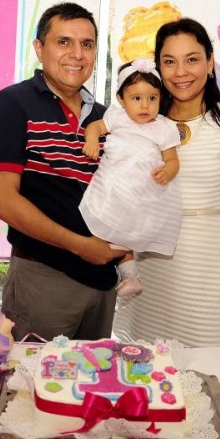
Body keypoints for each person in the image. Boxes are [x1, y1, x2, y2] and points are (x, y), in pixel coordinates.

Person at [114, 18, 220, 348]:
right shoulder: (146, 123)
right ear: (158, 67)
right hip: (153, 270)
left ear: (210, 62)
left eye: (192, 59)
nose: (180, 72)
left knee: (214, 372)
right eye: (169, 62)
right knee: (151, 372)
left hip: (214, 269)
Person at [0, 2, 125, 341]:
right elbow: (2, 201)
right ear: (39, 49)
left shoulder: (106, 118)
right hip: (43, 279)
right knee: (28, 384)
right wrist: (81, 246)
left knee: (87, 385)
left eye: (87, 44)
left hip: (104, 282)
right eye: (64, 42)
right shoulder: (13, 104)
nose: (77, 54)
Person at [79, 58, 182, 297]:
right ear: (121, 99)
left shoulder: (165, 127)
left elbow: (173, 160)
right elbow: (93, 128)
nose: (145, 105)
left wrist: (169, 170)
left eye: (152, 98)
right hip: (114, 185)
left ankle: (130, 276)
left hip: (142, 192)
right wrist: (91, 141)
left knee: (126, 236)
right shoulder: (117, 117)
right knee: (107, 231)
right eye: (136, 98)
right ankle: (129, 276)